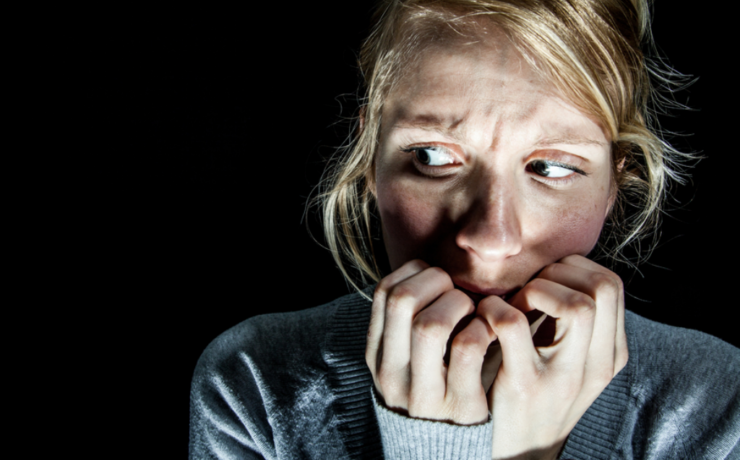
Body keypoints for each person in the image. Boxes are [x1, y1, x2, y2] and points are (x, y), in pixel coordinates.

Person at [189, 0, 740, 458]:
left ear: (614, 183)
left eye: (552, 167)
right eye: (431, 156)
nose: (490, 238)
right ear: (370, 158)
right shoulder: (255, 387)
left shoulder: (717, 407)